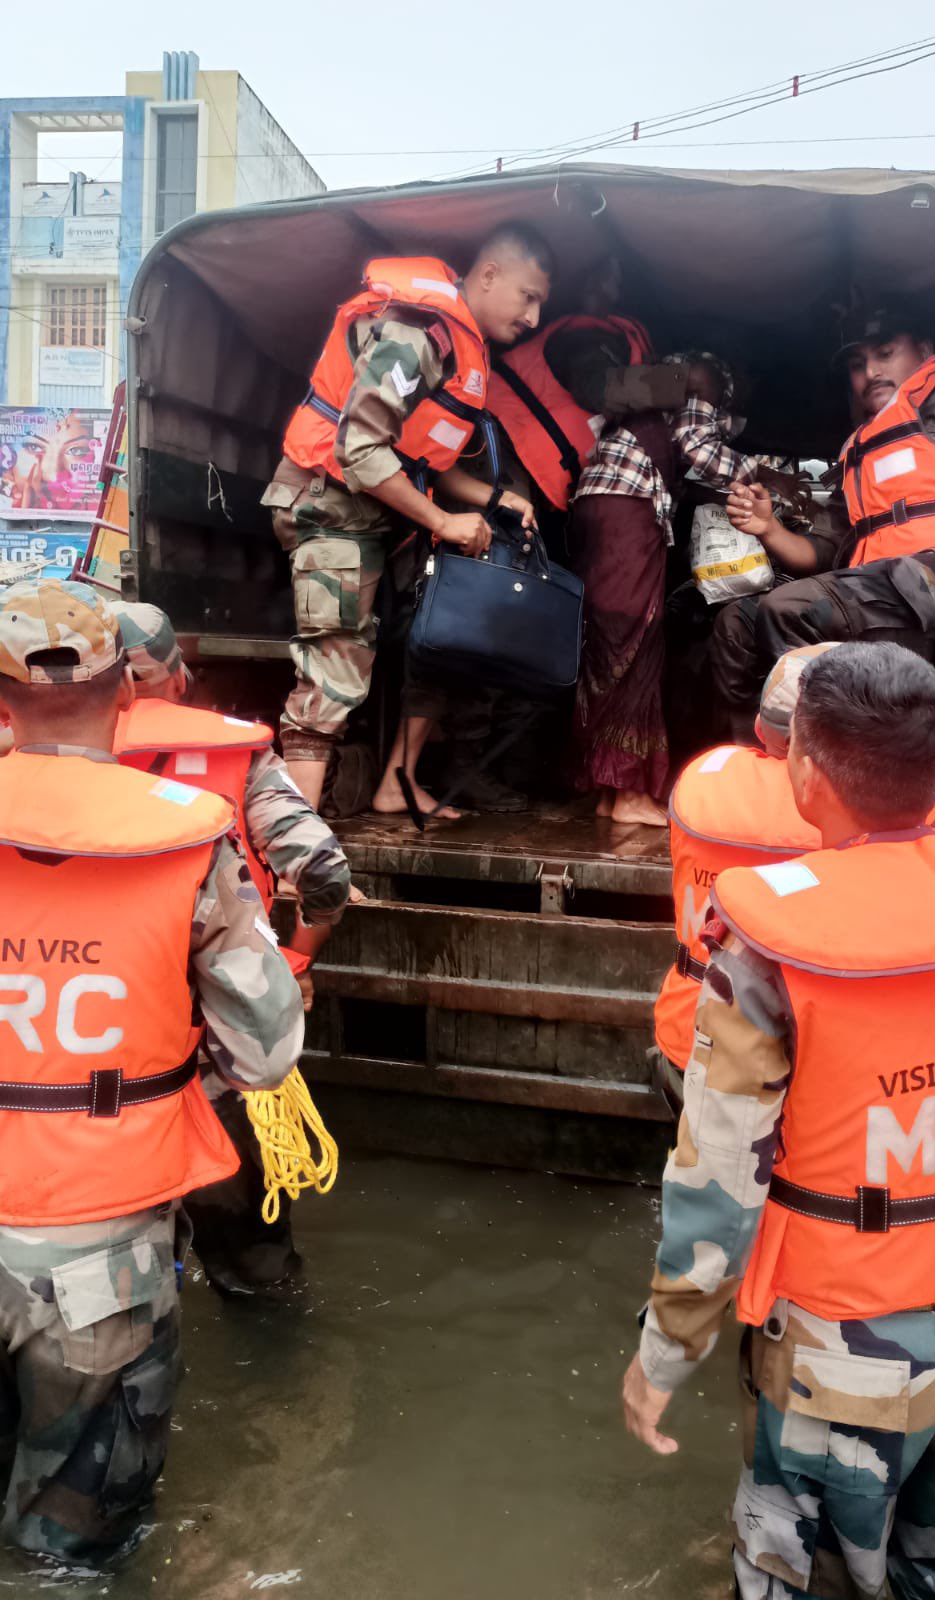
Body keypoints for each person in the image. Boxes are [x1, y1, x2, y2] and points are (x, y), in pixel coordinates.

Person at [622, 643, 935, 1600]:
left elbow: (718, 1186)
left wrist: (665, 1354)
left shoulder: (769, 943)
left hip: (833, 1361)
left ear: (806, 770)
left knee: (794, 1580)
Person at [0, 577, 303, 1566]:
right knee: (75, 1550)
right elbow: (265, 1048)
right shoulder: (188, 832)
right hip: (101, 1255)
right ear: (127, 689)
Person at [652, 644, 935, 1115]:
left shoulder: (699, 783)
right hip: (829, 1074)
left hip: (687, 1046)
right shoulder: (901, 806)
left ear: (760, 731)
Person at [262, 225, 553, 821]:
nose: (534, 315)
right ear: (489, 275)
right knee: (332, 678)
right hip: (330, 508)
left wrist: (494, 501)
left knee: (445, 636)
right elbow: (360, 450)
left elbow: (424, 462)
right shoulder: (418, 331)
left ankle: (397, 782)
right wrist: (444, 522)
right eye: (528, 296)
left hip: (381, 514)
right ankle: (293, 862)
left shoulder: (461, 347)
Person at [110, 600, 352, 1297]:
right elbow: (325, 872)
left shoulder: (22, 761)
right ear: (180, 678)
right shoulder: (235, 754)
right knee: (252, 1264)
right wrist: (299, 959)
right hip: (213, 1042)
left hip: (76, 1054)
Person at [714, 302, 935, 733]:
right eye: (858, 364)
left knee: (793, 609)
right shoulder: (860, 448)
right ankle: (760, 770)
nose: (871, 371)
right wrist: (770, 528)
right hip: (890, 592)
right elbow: (820, 553)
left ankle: (829, 769)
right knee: (737, 624)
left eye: (886, 353)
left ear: (925, 349)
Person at [570, 354, 777, 826]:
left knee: (607, 644)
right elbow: (697, 445)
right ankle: (628, 794)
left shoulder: (664, 380)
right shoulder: (703, 376)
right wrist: (766, 476)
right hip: (627, 509)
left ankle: (608, 790)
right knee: (636, 642)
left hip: (598, 506)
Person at [487, 255, 689, 519]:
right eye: (595, 279)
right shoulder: (576, 338)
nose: (597, 286)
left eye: (609, 281)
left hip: (545, 475)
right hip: (500, 449)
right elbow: (599, 389)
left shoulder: (619, 338)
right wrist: (684, 382)